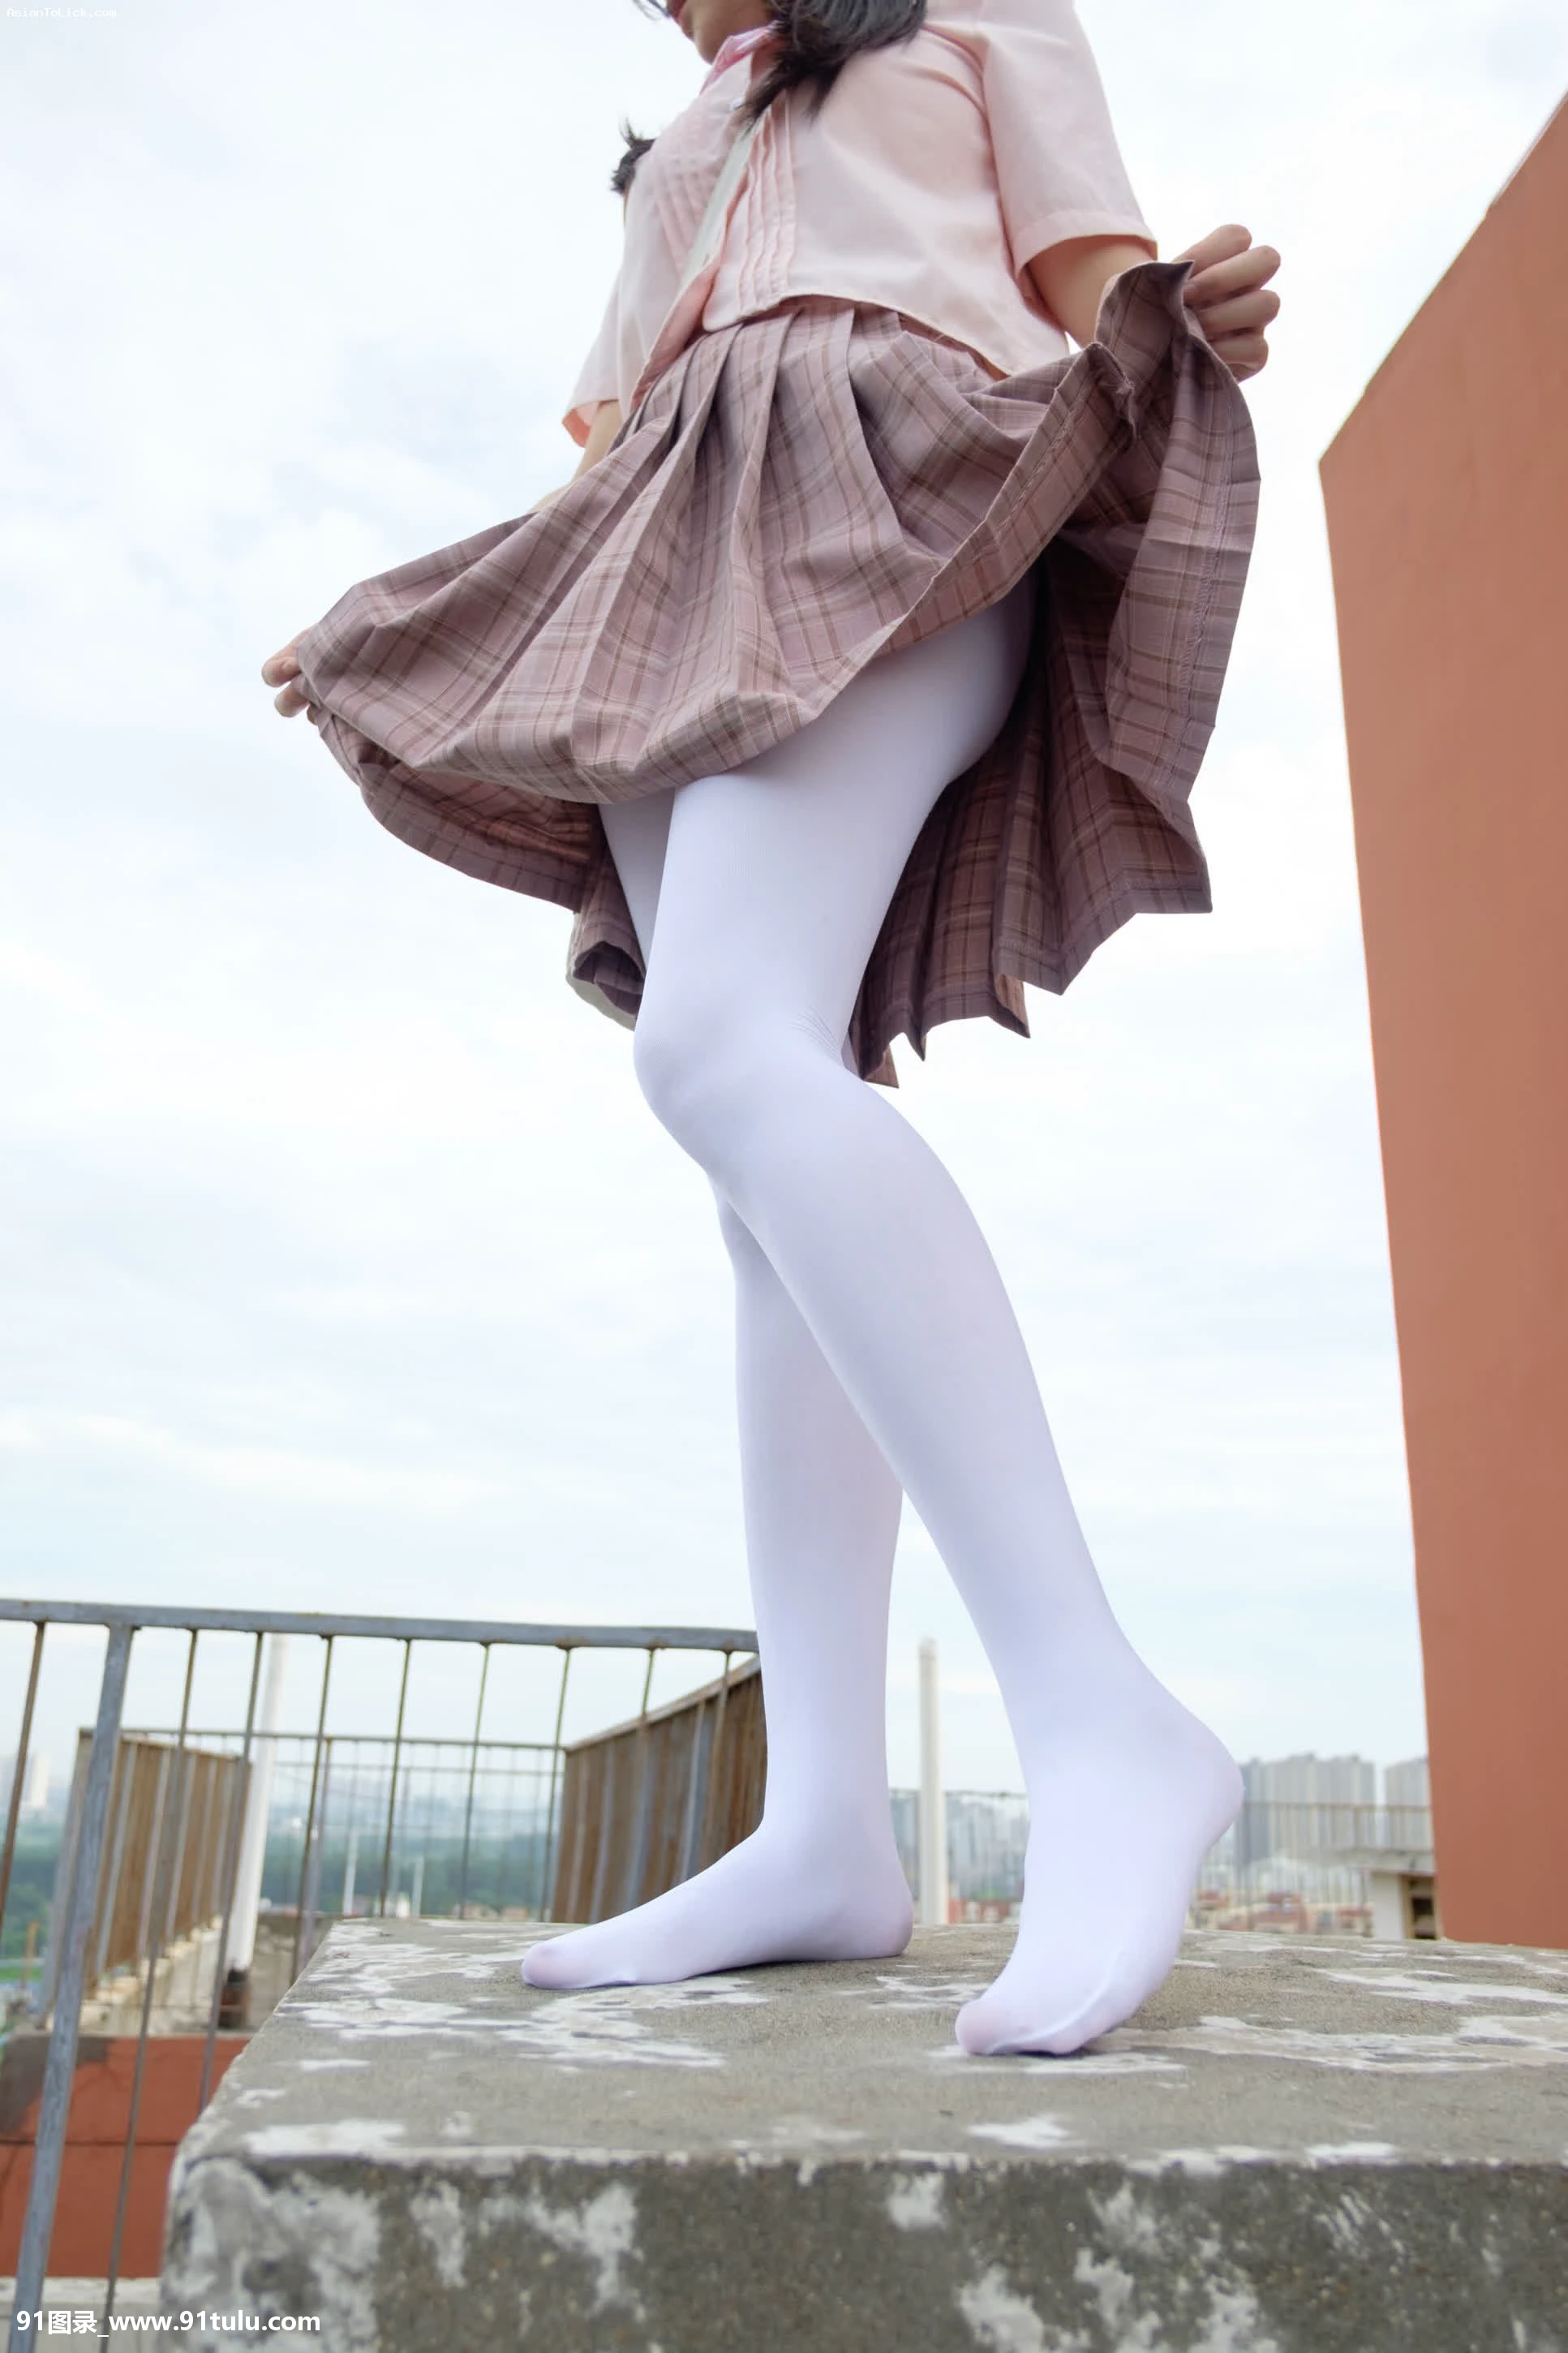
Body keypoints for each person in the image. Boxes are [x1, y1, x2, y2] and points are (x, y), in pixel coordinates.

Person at [261, 0, 1281, 2058]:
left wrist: (1194, 310)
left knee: (718, 1051)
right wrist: (411, 623)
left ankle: (1099, 1710)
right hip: (666, 565)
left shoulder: (975, 13)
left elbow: (1100, 290)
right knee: (755, 1159)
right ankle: (824, 1820)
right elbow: (605, 455)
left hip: (898, 492)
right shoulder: (680, 146)